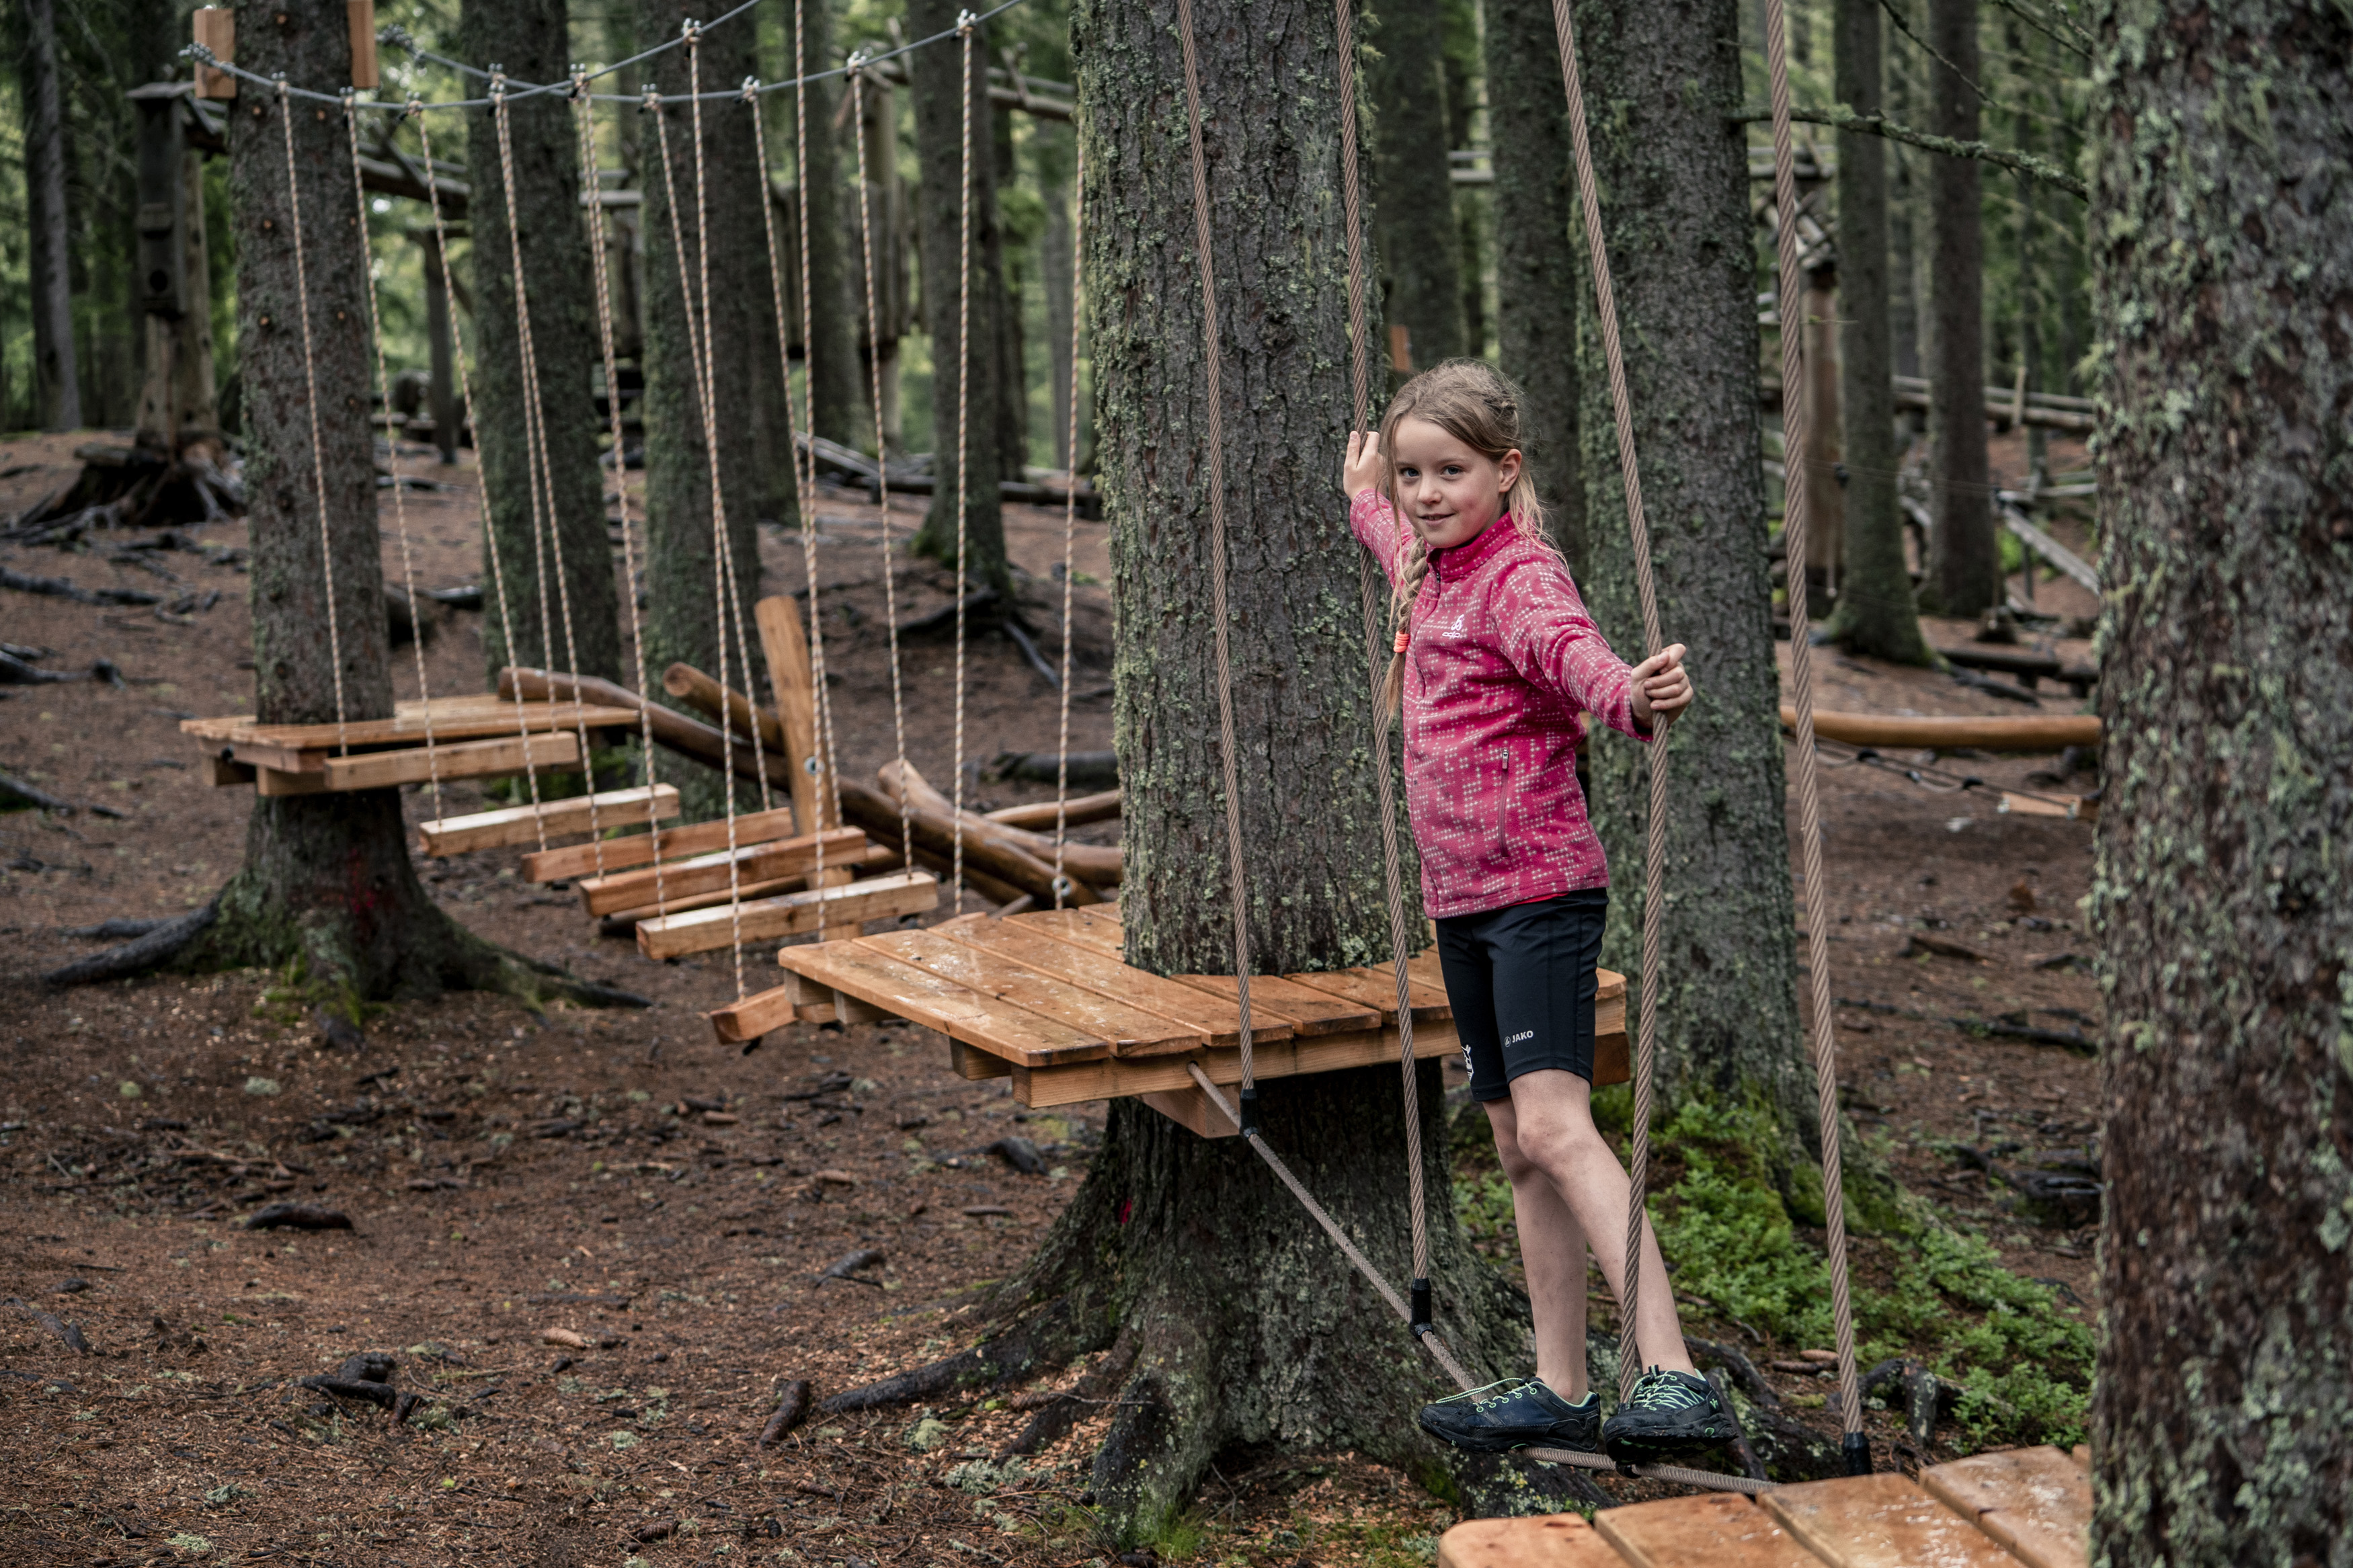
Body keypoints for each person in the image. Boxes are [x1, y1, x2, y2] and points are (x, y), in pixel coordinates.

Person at [1341, 360, 1726, 1462]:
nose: (1425, 491)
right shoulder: (1425, 562)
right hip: (1462, 902)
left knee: (1556, 1124)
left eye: (1449, 471)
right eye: (1415, 472)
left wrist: (1631, 693)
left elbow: (1576, 658)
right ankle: (1561, 1385)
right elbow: (1383, 532)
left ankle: (1674, 1373)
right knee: (1514, 1141)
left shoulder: (1517, 575)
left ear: (1505, 473)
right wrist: (1365, 487)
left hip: (1539, 891)